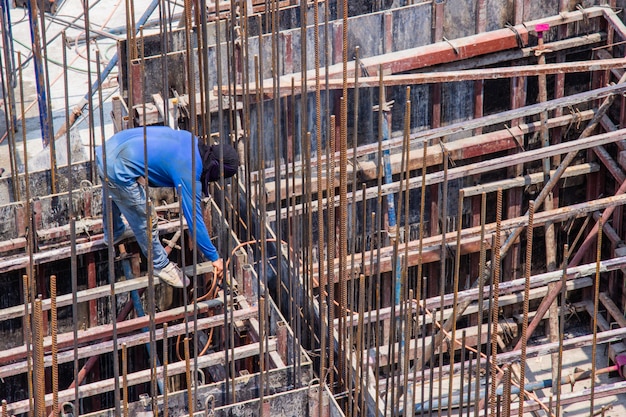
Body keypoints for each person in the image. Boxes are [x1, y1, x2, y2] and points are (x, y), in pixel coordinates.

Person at [96, 126, 239, 288]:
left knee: (114, 190)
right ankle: (160, 265)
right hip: (117, 164)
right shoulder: (189, 171)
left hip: (110, 147)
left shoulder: (191, 140)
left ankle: (114, 232)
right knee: (147, 219)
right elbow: (194, 221)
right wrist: (214, 258)